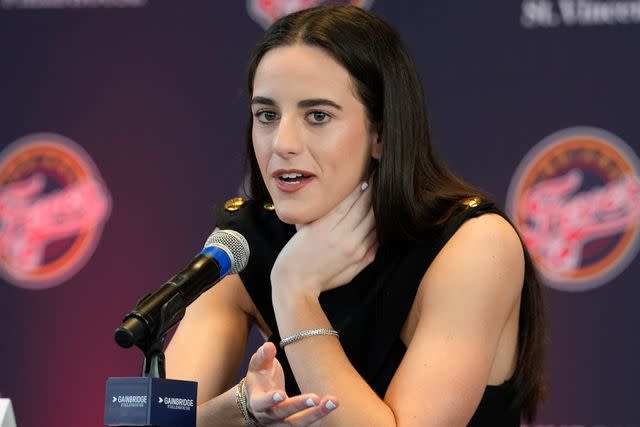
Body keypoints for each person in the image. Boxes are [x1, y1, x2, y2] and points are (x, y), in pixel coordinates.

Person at [165, 5, 546, 426]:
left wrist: (295, 293)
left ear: (380, 133)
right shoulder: (243, 244)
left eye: (318, 116)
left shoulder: (473, 245)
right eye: (267, 115)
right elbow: (161, 419)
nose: (282, 143)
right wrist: (241, 407)